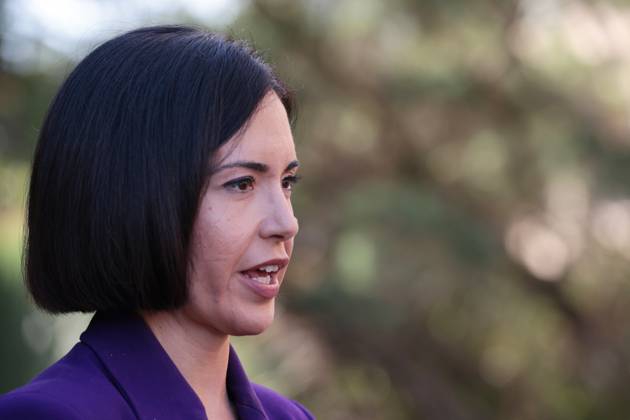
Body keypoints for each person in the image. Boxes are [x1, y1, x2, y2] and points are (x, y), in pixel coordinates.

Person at [0, 25, 314, 420]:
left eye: (287, 182)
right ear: (134, 194)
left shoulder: (290, 417)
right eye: (241, 183)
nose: (286, 223)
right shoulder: (50, 414)